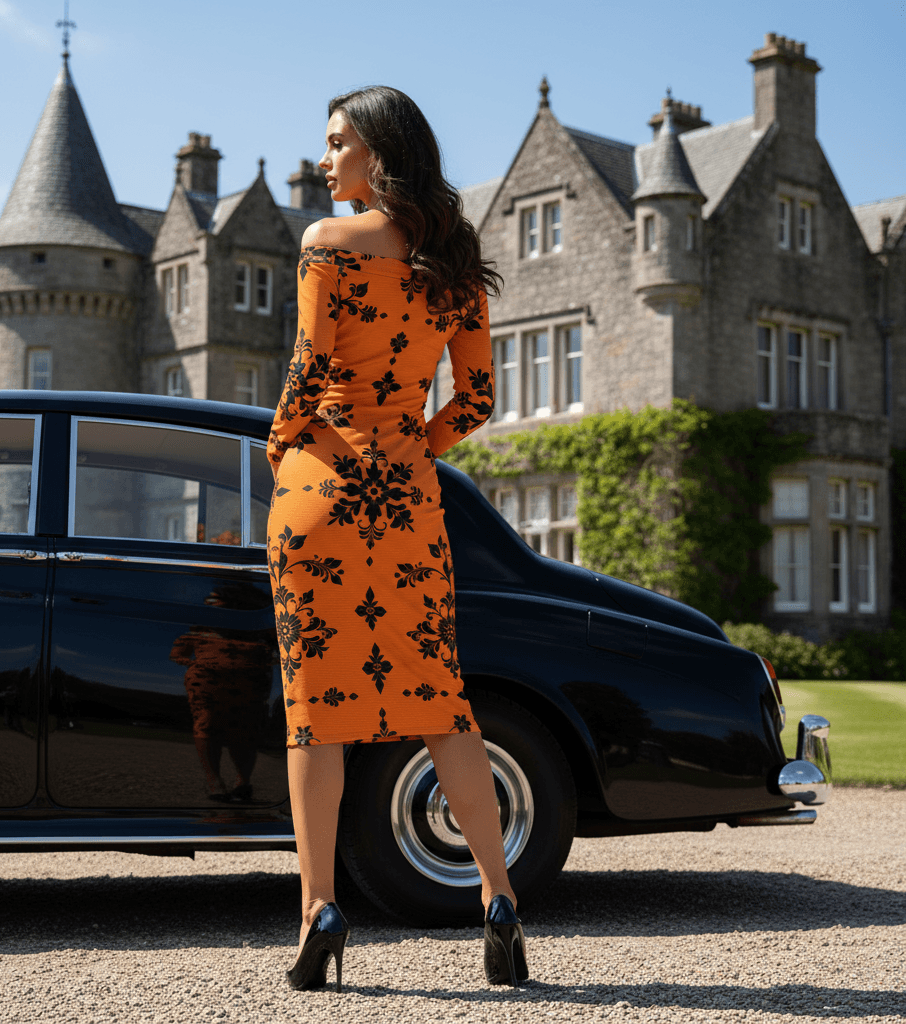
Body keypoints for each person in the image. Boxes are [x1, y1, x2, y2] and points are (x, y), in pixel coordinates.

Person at [266, 85, 528, 992]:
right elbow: (479, 402)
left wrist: (278, 454)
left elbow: (306, 370)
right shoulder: (454, 263)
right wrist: (417, 443)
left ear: (379, 153)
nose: (326, 159)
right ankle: (496, 895)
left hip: (322, 485)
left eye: (339, 143)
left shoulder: (325, 245)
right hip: (409, 497)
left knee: (316, 709)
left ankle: (319, 908)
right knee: (440, 699)